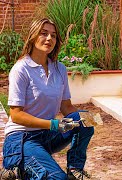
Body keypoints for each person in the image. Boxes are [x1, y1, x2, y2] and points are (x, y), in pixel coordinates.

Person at [0, 18, 94, 179]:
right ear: (33, 36)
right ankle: (18, 166)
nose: (49, 38)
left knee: (85, 119)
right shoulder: (21, 69)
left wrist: (85, 121)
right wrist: (54, 124)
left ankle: (74, 169)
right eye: (44, 34)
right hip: (23, 137)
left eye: (53, 35)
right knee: (56, 178)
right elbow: (16, 115)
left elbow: (66, 107)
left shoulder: (59, 68)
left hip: (47, 135)